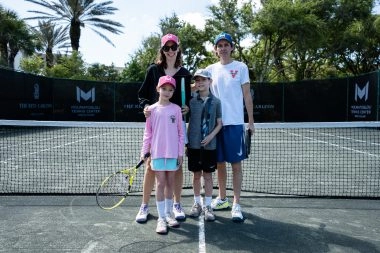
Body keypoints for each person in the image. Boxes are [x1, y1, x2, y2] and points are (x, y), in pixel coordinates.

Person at [136, 33, 191, 223]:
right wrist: (145, 106)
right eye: (166, 48)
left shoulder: (184, 73)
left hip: (177, 125)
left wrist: (187, 107)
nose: (170, 51)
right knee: (150, 168)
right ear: (162, 50)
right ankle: (144, 206)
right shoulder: (153, 70)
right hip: (157, 125)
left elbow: (188, 99)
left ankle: (176, 204)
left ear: (178, 49)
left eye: (173, 47)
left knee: (178, 167)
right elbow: (142, 95)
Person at [205, 32, 255, 222]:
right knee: (219, 164)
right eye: (220, 45)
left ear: (232, 47)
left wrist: (250, 121)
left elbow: (247, 96)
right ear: (216, 50)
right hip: (216, 125)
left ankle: (236, 204)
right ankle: (223, 198)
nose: (223, 48)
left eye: (227, 44)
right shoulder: (210, 69)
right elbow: (196, 86)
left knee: (236, 165)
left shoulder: (241, 67)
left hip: (234, 124)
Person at [140, 75, 184, 234]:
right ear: (158, 89)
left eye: (170, 90)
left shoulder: (177, 109)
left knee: (170, 183)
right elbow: (148, 133)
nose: (167, 92)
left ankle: (168, 214)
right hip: (157, 154)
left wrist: (180, 154)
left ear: (173, 92)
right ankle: (161, 218)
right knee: (160, 184)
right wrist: (145, 151)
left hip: (173, 154)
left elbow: (181, 133)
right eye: (164, 89)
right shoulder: (151, 110)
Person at [187, 69, 222, 221]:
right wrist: (186, 144)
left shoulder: (216, 102)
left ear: (210, 82)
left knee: (208, 176)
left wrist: (210, 136)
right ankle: (196, 204)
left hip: (210, 145)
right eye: (197, 80)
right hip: (194, 145)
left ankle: (208, 206)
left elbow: (220, 124)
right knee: (196, 176)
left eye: (203, 80)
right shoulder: (191, 101)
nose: (200, 83)